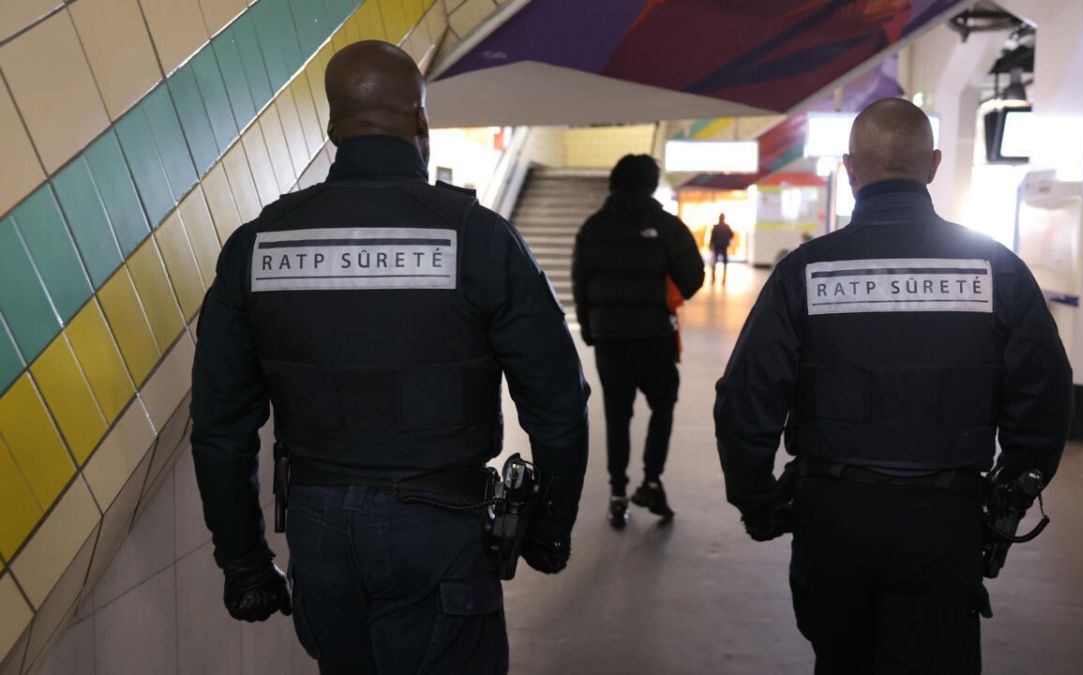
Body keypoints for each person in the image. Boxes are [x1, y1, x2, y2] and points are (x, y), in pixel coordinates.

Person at [190, 40, 589, 674]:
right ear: (420, 121)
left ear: (331, 128)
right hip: (439, 527)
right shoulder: (478, 237)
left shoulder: (257, 245)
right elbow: (558, 402)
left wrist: (242, 559)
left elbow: (218, 424)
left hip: (318, 532)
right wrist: (550, 525)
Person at [713, 98, 1072, 674]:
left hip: (833, 520)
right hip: (944, 522)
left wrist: (759, 504)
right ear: (932, 166)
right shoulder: (996, 270)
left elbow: (746, 402)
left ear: (850, 170)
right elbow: (1046, 398)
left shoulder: (803, 271)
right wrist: (1009, 497)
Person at [572, 154, 705, 528]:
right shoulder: (666, 226)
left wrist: (590, 328)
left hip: (610, 339)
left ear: (614, 183)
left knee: (617, 413)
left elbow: (580, 284)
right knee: (663, 404)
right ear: (651, 185)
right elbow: (693, 277)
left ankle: (617, 492)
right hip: (654, 336)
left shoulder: (593, 228)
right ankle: (651, 480)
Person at [709, 213, 734, 285]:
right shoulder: (726, 227)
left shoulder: (716, 227)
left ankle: (713, 278)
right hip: (724, 246)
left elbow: (712, 237)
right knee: (725, 262)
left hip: (716, 246)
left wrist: (710, 245)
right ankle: (724, 278)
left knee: (714, 262)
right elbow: (732, 235)